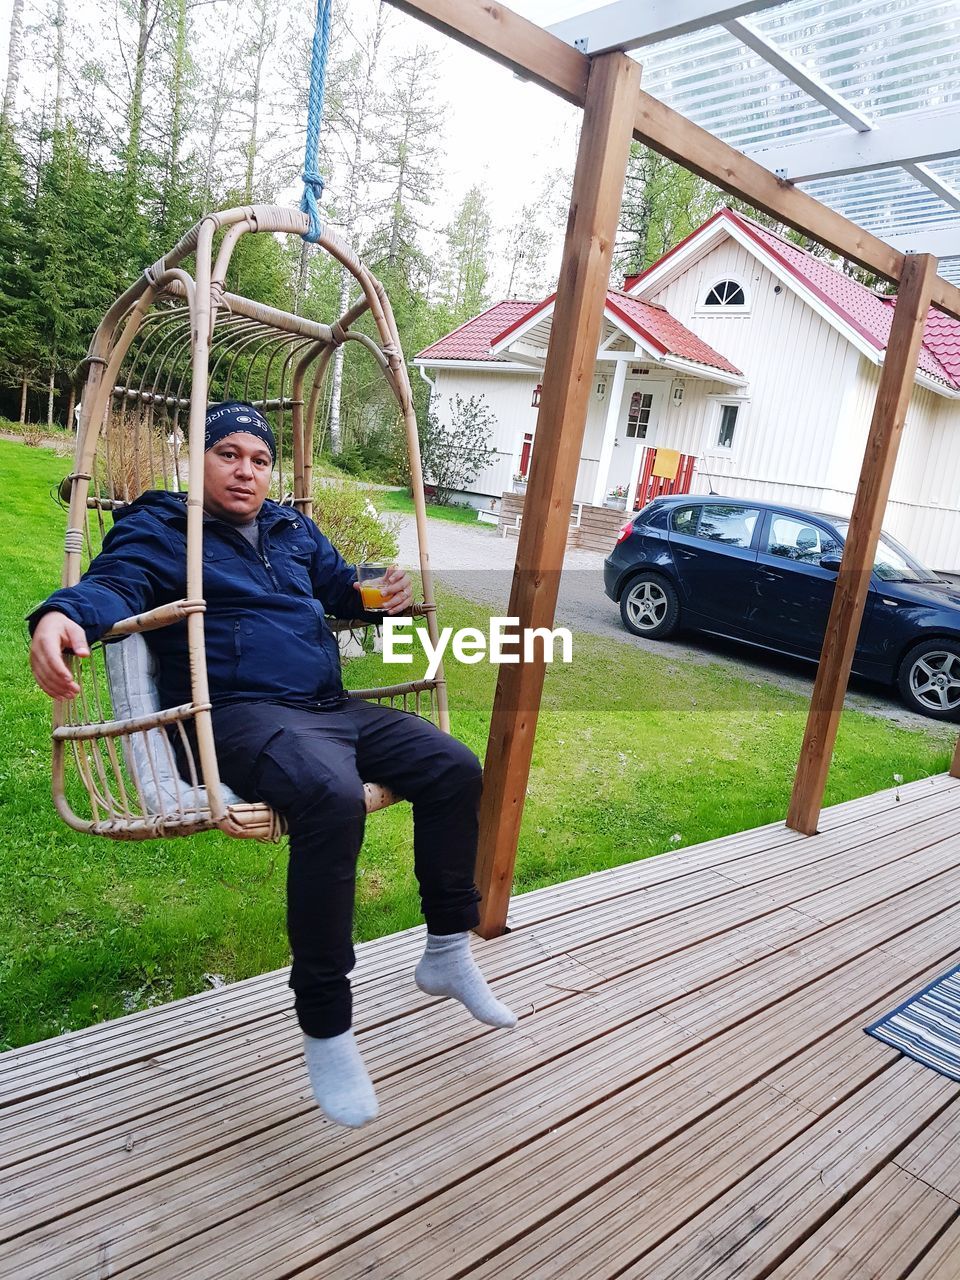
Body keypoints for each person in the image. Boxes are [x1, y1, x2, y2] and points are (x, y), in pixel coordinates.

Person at [29, 401, 516, 1128]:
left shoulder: (289, 528)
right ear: (197, 460)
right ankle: (326, 1022)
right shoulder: (165, 527)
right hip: (236, 715)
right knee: (329, 796)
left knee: (453, 765)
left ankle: (447, 948)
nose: (245, 471)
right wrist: (63, 614)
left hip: (326, 705)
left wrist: (379, 596)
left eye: (258, 460)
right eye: (228, 455)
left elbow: (339, 587)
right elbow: (115, 583)